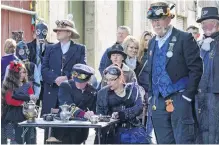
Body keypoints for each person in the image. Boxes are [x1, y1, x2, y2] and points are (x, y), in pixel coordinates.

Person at [146, 2, 203, 144]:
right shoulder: (152, 42)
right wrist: (152, 95)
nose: (156, 23)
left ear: (169, 18)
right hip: (158, 101)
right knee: (163, 141)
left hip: (179, 98)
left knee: (184, 140)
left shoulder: (184, 38)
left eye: (159, 19)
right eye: (153, 20)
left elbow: (196, 69)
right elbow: (151, 71)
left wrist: (187, 96)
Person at [41, 16, 86, 116]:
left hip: (71, 93)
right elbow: (44, 69)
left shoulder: (80, 49)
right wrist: (55, 79)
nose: (58, 32)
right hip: (52, 92)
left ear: (69, 33)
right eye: (57, 30)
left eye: (61, 30)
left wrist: (67, 77)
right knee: (50, 128)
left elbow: (82, 69)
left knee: (70, 127)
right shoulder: (49, 48)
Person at [96, 65, 149, 144]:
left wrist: (121, 114)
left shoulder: (132, 89)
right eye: (107, 80)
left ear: (120, 78)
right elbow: (100, 113)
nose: (108, 83)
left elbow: (139, 107)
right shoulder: (102, 93)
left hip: (133, 129)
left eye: (112, 79)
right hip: (112, 131)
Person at [55, 64, 97, 144]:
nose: (79, 84)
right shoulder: (66, 86)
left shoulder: (92, 91)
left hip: (81, 130)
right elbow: (67, 105)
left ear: (88, 80)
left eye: (82, 82)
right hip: (64, 129)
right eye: (77, 81)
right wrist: (83, 114)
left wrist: (91, 113)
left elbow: (93, 108)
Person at [195, 7, 219, 144]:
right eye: (203, 24)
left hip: (216, 95)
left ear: (216, 24)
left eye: (209, 23)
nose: (206, 27)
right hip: (199, 94)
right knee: (201, 130)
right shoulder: (198, 45)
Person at [1, 61, 37, 144]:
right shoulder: (8, 85)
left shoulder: (28, 85)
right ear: (14, 74)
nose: (22, 75)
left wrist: (31, 100)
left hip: (27, 115)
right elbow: (10, 101)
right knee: (15, 140)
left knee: (29, 138)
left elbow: (32, 98)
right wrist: (23, 102)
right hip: (12, 115)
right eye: (20, 73)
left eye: (24, 72)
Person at [27, 21, 52, 106]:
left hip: (46, 81)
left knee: (46, 106)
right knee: (32, 107)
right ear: (35, 32)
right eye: (38, 31)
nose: (41, 33)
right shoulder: (28, 46)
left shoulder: (52, 47)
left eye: (44, 31)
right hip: (33, 81)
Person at [135, 31, 154, 142]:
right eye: (145, 40)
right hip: (139, 91)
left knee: (150, 119)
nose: (148, 42)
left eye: (150, 39)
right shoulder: (138, 56)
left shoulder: (155, 53)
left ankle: (147, 139)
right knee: (139, 118)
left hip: (151, 91)